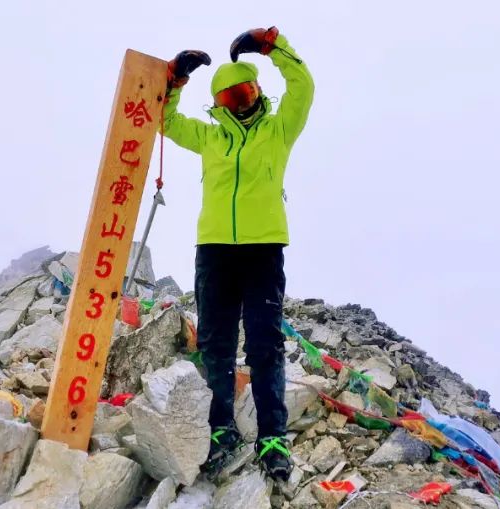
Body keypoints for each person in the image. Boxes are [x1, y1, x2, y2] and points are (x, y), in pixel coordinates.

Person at [162, 26, 313, 481]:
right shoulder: (210, 138)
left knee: (266, 345)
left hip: (264, 249)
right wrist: (175, 82)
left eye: (244, 92)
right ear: (218, 106)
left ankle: (273, 437)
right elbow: (165, 121)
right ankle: (221, 429)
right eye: (228, 99)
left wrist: (272, 46)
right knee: (216, 344)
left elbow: (303, 86)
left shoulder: (278, 129)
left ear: (258, 89)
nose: (240, 103)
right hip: (215, 252)